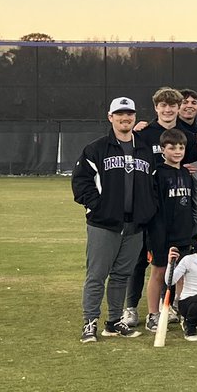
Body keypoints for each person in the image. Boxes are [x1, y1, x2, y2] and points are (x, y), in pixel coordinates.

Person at [71, 96, 155, 342]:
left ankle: (114, 321)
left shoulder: (144, 149)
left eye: (129, 114)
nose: (125, 118)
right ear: (110, 117)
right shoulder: (96, 148)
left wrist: (147, 211)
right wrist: (99, 208)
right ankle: (90, 322)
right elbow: (81, 182)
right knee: (97, 275)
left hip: (135, 224)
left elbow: (151, 184)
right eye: (119, 114)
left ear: (134, 117)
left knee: (122, 276)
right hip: (104, 224)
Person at [144, 128, 195, 332]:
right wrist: (156, 235)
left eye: (181, 147)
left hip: (184, 233)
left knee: (182, 275)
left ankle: (179, 310)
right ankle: (153, 314)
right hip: (162, 233)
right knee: (159, 272)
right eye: (172, 147)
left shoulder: (185, 173)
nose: (177, 151)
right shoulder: (158, 173)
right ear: (162, 150)